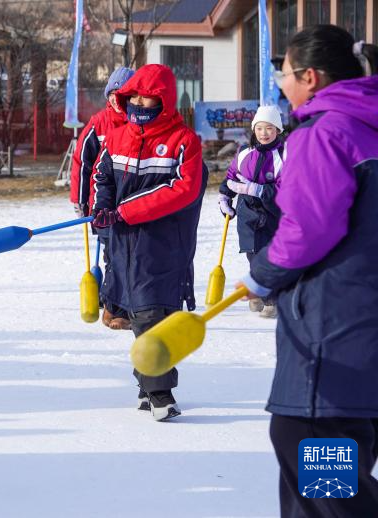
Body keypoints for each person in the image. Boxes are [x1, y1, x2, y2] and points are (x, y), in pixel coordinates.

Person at [235, 25, 378, 517]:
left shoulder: (326, 134)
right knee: (329, 462)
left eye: (285, 73)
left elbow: (310, 228)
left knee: (314, 448)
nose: (281, 83)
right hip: (361, 337)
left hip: (335, 331)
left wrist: (262, 273)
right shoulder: (367, 125)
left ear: (310, 77)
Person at [92, 64, 207, 422]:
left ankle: (160, 393)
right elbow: (103, 175)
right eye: (135, 96)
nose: (140, 102)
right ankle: (146, 384)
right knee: (136, 312)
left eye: (148, 97)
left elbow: (183, 189)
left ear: (164, 100)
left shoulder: (183, 141)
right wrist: (102, 206)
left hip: (162, 244)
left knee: (153, 315)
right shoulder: (117, 136)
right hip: (123, 244)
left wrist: (126, 210)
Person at [70, 67, 135, 331]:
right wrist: (81, 200)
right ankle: (114, 308)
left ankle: (131, 303)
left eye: (124, 96)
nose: (117, 101)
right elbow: (82, 163)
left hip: (133, 203)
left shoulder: (140, 123)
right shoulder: (99, 124)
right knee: (115, 254)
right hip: (103, 204)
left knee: (133, 254)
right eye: (113, 95)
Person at [218, 104, 285, 318]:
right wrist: (224, 196)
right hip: (247, 213)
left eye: (269, 128)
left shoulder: (283, 155)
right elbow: (231, 177)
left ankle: (271, 299)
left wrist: (257, 189)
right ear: (254, 129)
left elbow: (286, 189)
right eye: (259, 128)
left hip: (271, 214)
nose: (264, 133)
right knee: (251, 254)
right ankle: (258, 291)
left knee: (268, 256)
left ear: (278, 130)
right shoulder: (244, 152)